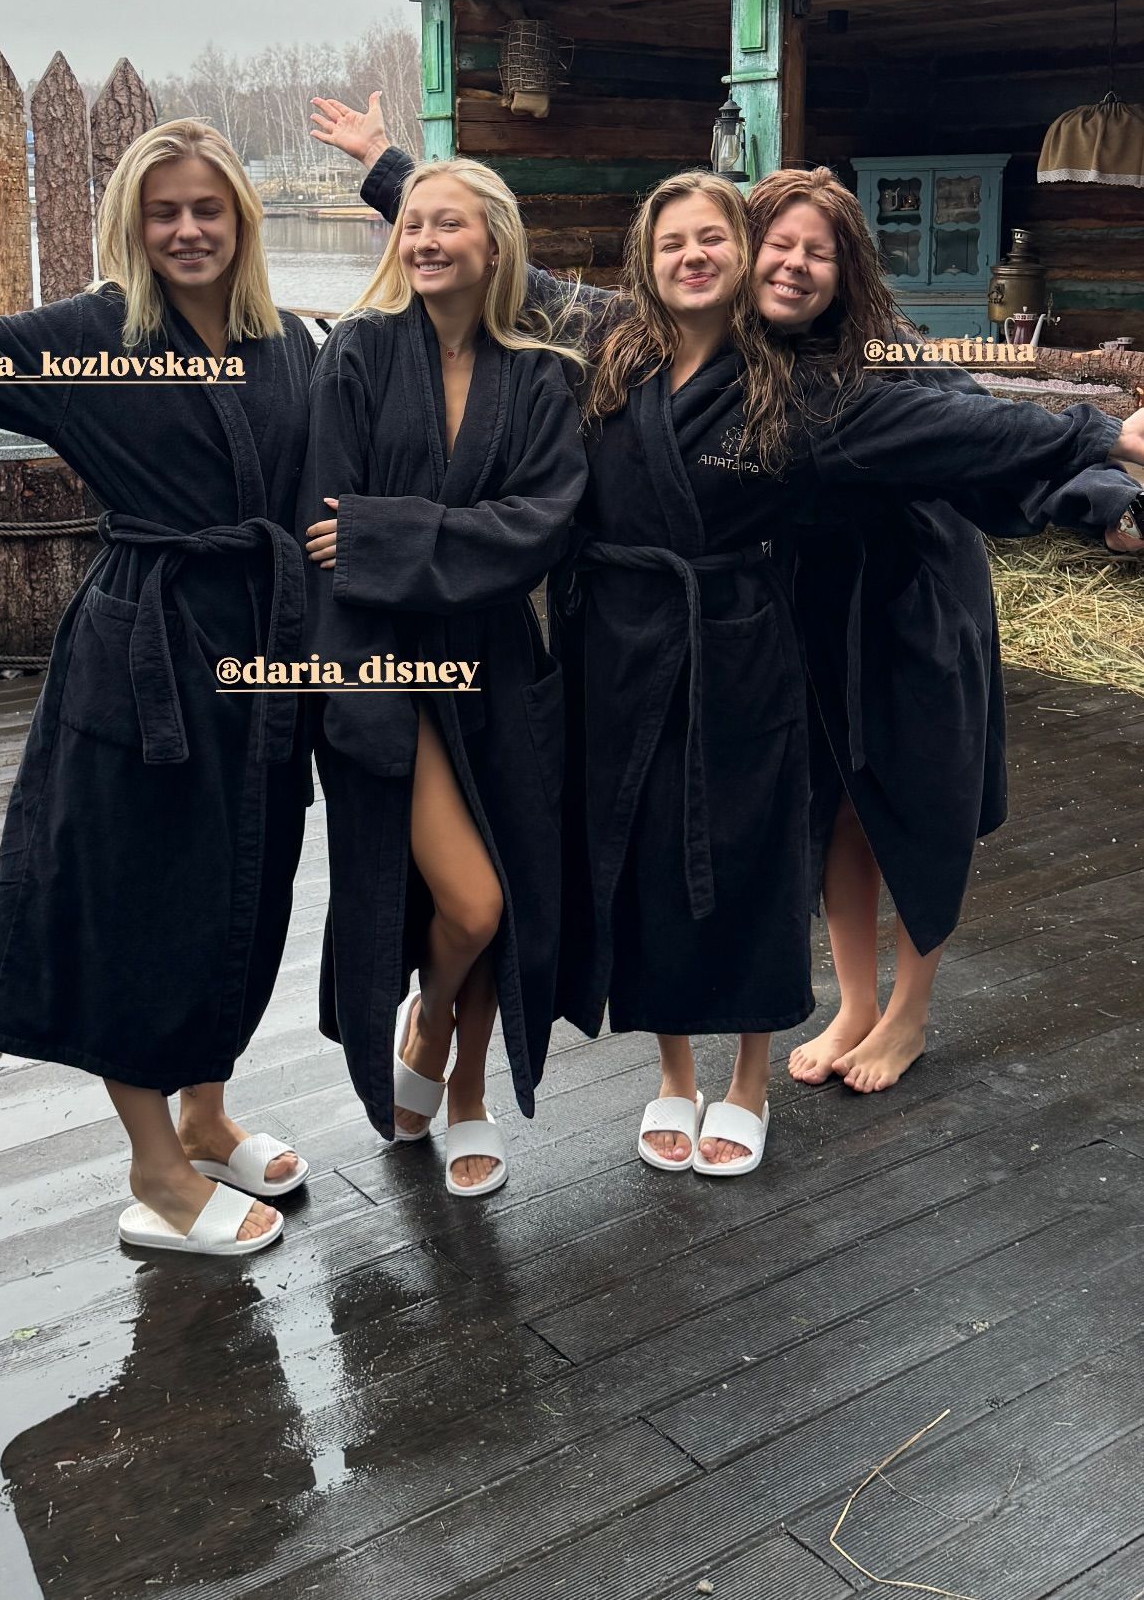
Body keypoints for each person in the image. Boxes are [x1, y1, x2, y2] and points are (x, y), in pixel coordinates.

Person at [312, 97, 1144, 1175]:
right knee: (641, 859)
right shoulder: (610, 339)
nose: (706, 257)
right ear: (650, 256)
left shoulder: (801, 386)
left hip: (744, 645)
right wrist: (391, 171)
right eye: (678, 241)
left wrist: (1103, 445)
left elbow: (965, 427)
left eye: (725, 239)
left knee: (756, 858)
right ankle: (673, 1076)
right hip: (619, 646)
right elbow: (502, 263)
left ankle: (748, 1081)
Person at [0, 120, 318, 1256]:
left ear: (241, 217)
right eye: (164, 212)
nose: (188, 230)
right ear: (130, 224)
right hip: (144, 650)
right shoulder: (89, 339)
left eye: (207, 208)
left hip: (261, 652)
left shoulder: (288, 340)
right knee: (137, 902)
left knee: (243, 885)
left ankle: (205, 1115)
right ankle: (157, 1170)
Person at [743, 167, 1142, 1093]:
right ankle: (855, 1001)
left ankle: (909, 1014)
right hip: (812, 610)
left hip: (916, 599)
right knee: (836, 804)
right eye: (779, 244)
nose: (795, 265)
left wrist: (1113, 500)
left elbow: (987, 428)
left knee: (922, 805)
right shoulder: (735, 352)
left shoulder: (887, 353)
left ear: (848, 268)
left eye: (819, 251)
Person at [299, 158, 587, 1197]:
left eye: (447, 223)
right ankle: (424, 1028)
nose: (422, 240)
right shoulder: (358, 353)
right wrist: (343, 681)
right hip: (381, 662)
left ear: (494, 243)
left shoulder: (542, 374)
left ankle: (467, 1087)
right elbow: (319, 528)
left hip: (498, 664)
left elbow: (539, 527)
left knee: (505, 876)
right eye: (411, 223)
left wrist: (384, 534)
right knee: (467, 901)